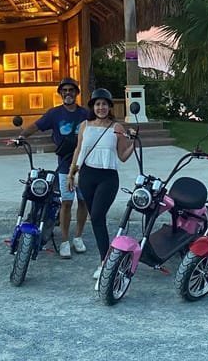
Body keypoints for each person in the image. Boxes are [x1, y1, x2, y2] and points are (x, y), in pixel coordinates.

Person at [67, 88, 135, 285]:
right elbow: (78, 150)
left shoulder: (117, 127)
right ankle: (105, 260)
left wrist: (134, 143)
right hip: (87, 175)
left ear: (109, 107)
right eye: (97, 104)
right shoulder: (84, 125)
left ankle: (105, 262)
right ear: (93, 107)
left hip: (108, 177)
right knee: (96, 219)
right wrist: (71, 173)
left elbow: (122, 156)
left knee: (97, 215)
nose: (101, 107)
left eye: (104, 104)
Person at [18, 77, 90, 260]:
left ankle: (78, 237)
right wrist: (21, 137)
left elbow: (100, 127)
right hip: (65, 165)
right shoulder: (54, 114)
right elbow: (36, 126)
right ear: (60, 94)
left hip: (84, 164)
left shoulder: (85, 114)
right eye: (64, 90)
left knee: (83, 202)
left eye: (71, 90)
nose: (68, 93)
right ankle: (64, 240)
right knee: (66, 202)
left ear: (76, 93)